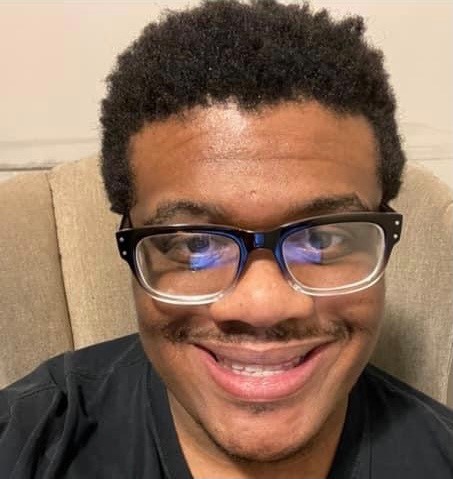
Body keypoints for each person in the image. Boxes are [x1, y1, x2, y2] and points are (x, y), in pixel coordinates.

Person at [1, 0, 452, 477]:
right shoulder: (29, 442)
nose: (262, 305)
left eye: (323, 239)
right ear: (131, 246)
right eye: (195, 245)